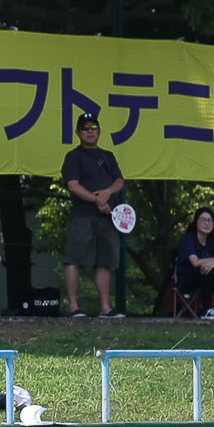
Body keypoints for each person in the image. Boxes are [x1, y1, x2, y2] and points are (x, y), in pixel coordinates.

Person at [59, 113, 125, 318]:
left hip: (107, 217)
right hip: (82, 215)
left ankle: (105, 307)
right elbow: (73, 185)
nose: (90, 132)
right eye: (85, 128)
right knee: (74, 258)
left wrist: (107, 193)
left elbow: (119, 181)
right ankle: (73, 307)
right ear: (78, 132)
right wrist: (97, 200)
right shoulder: (73, 156)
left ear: (99, 131)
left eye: (93, 128)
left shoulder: (108, 156)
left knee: (105, 260)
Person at [173, 207, 214, 319]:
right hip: (188, 281)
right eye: (203, 219)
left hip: (211, 281)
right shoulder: (188, 239)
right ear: (196, 222)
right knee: (206, 268)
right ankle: (207, 309)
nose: (206, 223)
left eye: (209, 220)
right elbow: (195, 262)